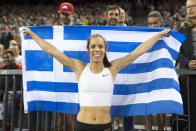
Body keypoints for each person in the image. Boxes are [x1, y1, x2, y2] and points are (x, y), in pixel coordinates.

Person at [22, 27, 170, 131]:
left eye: (100, 46)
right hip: (81, 125)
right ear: (88, 50)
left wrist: (159, 35)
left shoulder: (113, 67)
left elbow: (137, 52)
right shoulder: (79, 67)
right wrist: (33, 35)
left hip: (104, 126)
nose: (97, 49)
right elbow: (53, 51)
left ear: (105, 49)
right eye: (93, 46)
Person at [177, 0, 196, 130]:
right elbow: (177, 51)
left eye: (193, 6)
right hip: (189, 77)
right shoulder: (182, 29)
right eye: (187, 7)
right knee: (192, 110)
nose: (189, 9)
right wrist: (187, 63)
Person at [146, 11, 166, 131]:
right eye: (150, 24)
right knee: (148, 108)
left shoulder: (168, 37)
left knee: (161, 108)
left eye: (155, 23)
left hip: (163, 76)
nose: (152, 26)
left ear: (161, 22)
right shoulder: (144, 38)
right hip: (148, 75)